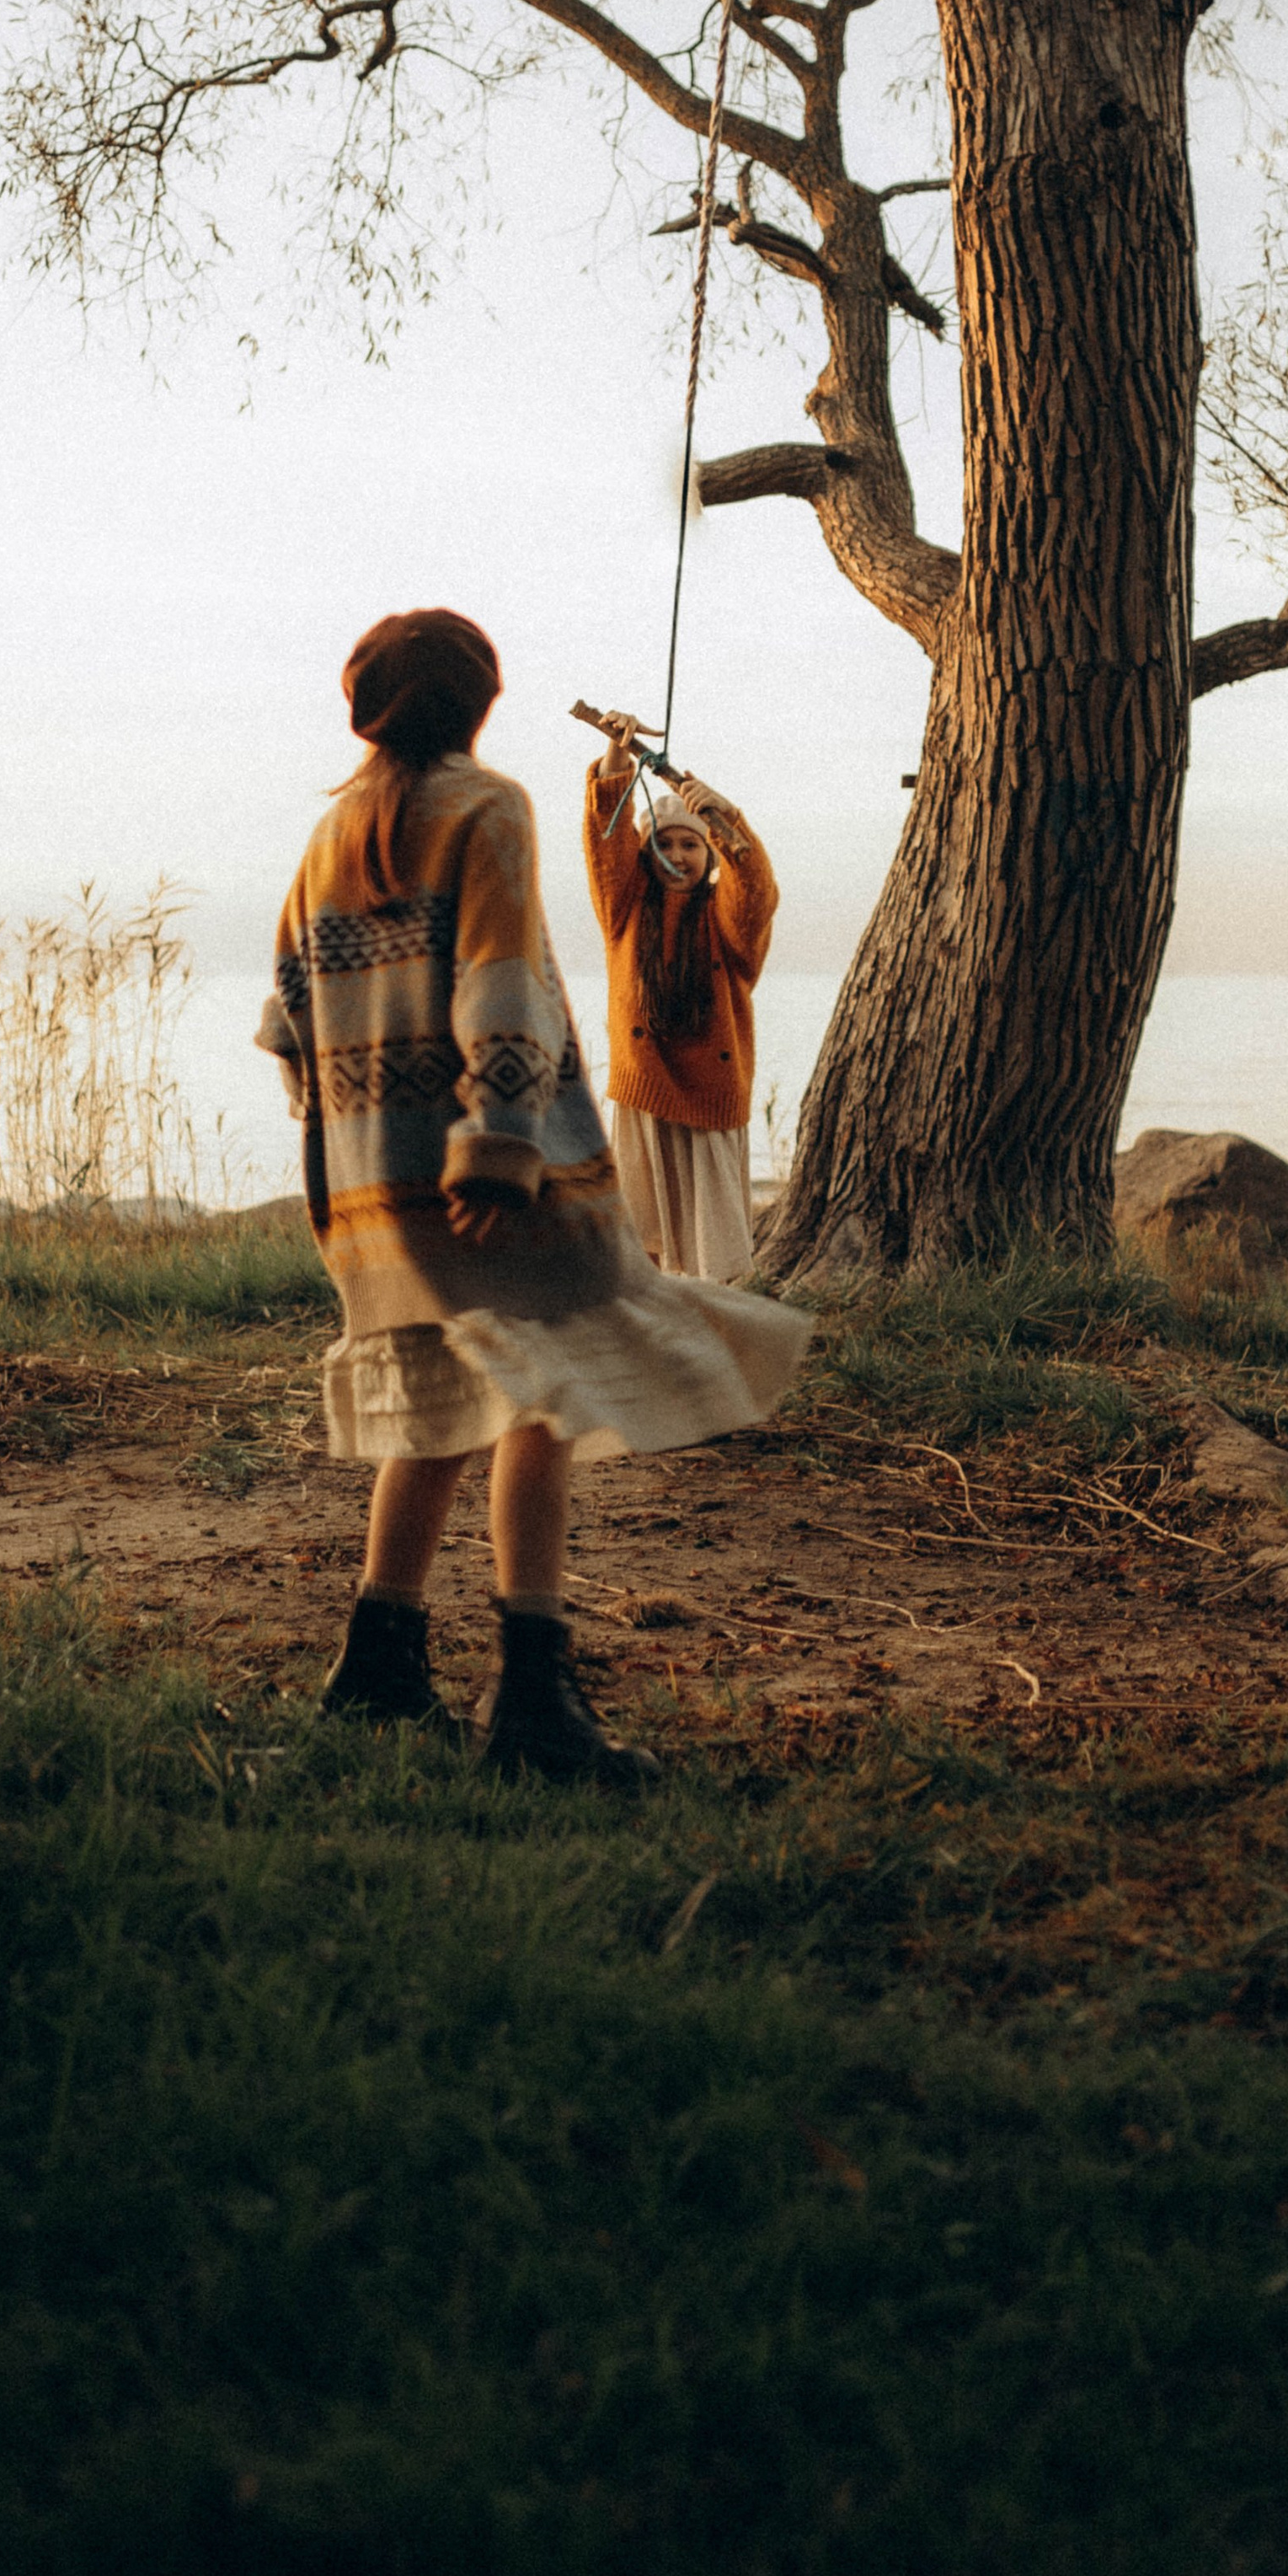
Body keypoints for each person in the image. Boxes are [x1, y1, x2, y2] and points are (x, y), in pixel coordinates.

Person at [257, 609, 810, 1785]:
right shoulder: (484, 805)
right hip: (491, 1171)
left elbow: (288, 1014)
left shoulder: (329, 829)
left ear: (366, 707)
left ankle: (381, 1670)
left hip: (373, 1185)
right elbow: (501, 978)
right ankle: (532, 1702)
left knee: (440, 1404)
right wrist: (500, 1138)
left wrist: (355, 1149)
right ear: (479, 702)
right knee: (541, 1400)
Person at [583, 715, 774, 1283]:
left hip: (712, 1100)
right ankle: (656, 1328)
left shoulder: (726, 922)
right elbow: (605, 843)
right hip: (643, 1093)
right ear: (644, 854)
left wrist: (728, 819)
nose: (677, 854)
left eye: (691, 843)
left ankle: (720, 1326)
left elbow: (756, 893)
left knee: (716, 1249)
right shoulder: (624, 910)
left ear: (711, 854)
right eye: (663, 843)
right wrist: (617, 754)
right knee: (644, 1241)